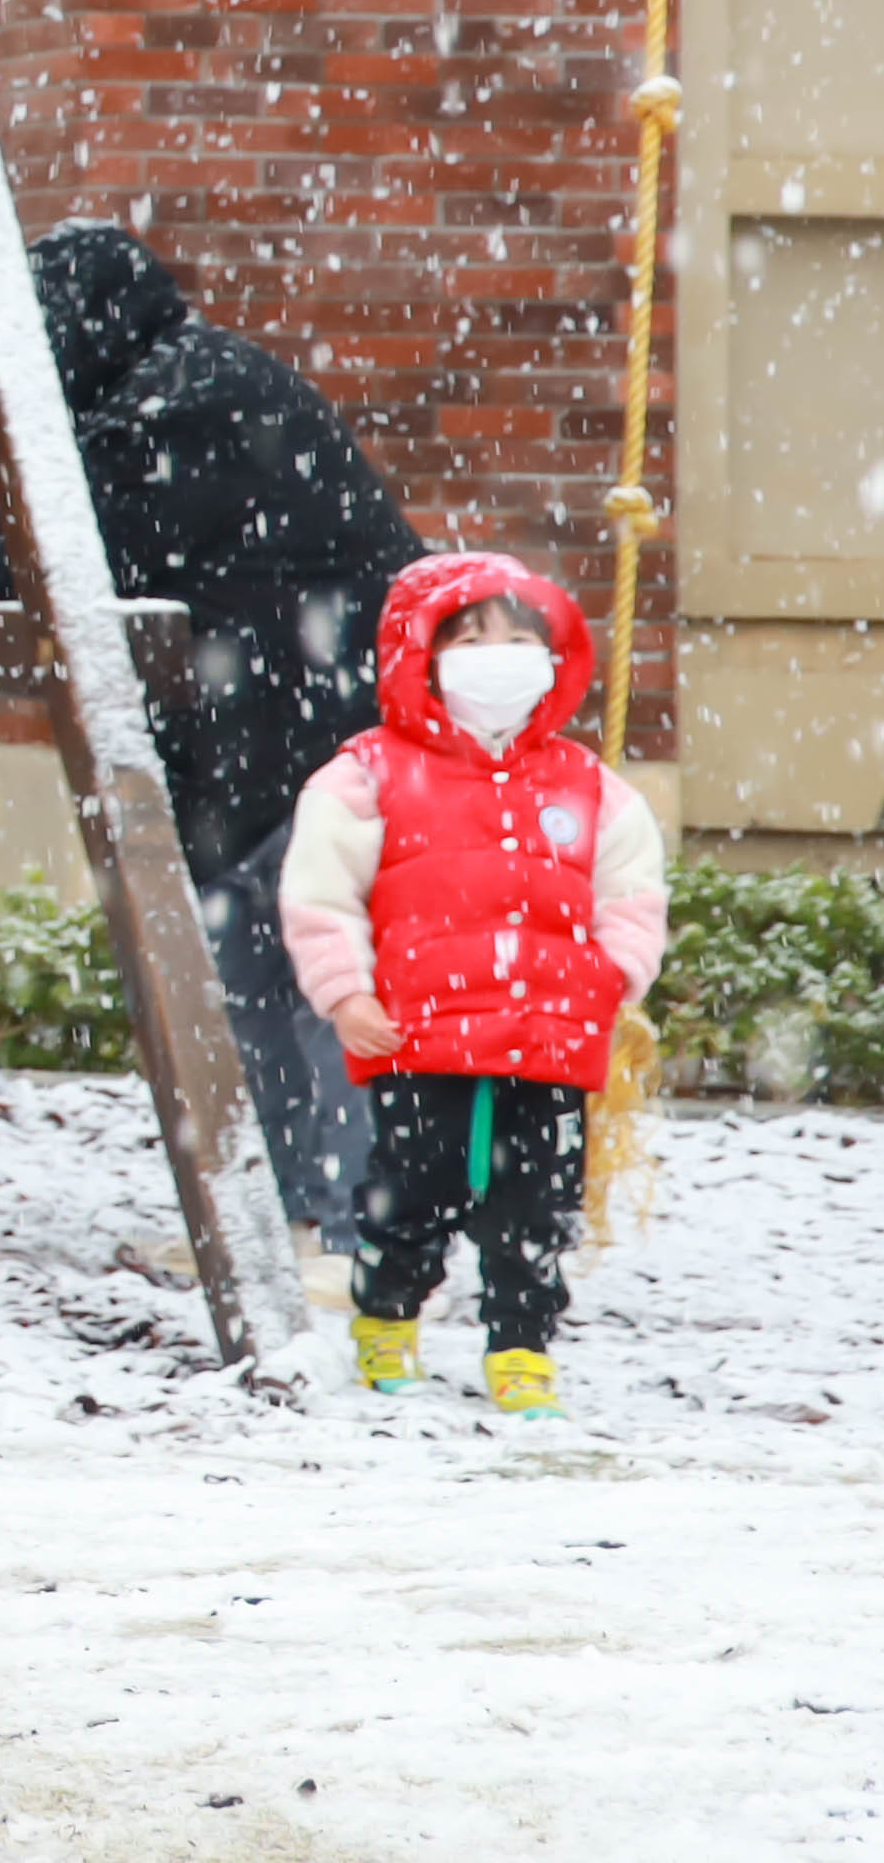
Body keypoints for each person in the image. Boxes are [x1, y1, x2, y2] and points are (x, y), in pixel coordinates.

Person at [0, 220, 423, 1248]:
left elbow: (51, 556)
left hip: (320, 729)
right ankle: (306, 1221)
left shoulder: (166, 407)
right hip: (316, 718)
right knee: (259, 961)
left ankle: (352, 1235)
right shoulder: (182, 380)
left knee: (303, 973)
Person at [277, 552, 667, 1418]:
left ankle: (521, 1348)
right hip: (420, 1035)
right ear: (422, 655)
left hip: (548, 1038)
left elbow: (630, 889)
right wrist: (347, 993)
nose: (499, 654)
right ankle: (386, 1315)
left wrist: (613, 977)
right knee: (415, 1187)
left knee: (535, 1205)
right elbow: (319, 894)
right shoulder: (367, 775)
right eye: (470, 637)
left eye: (519, 637)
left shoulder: (585, 786)